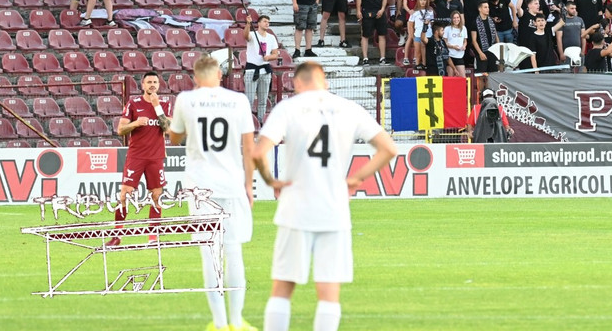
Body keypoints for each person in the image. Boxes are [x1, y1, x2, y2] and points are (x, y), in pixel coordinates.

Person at [255, 60, 398, 331]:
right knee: (329, 292)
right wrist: (356, 178)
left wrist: (270, 179)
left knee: (283, 286)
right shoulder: (348, 108)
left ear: (296, 83)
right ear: (325, 81)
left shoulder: (287, 108)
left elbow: (257, 151)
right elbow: (389, 149)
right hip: (334, 208)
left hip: (295, 207)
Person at [168, 54, 255, 331]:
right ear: (220, 75)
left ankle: (218, 323)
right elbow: (248, 147)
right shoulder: (238, 100)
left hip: (199, 187)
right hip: (231, 183)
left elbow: (174, 137)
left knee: (210, 254)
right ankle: (237, 321)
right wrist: (249, 185)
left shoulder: (185, 99)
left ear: (195, 77)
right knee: (234, 250)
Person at [109, 71, 172, 247]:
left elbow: (167, 129)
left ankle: (153, 237)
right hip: (136, 156)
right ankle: (117, 236)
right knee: (124, 195)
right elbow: (121, 130)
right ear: (142, 85)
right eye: (149, 82)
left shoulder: (165, 104)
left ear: (159, 85)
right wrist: (136, 123)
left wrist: (157, 106)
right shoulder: (133, 103)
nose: (152, 85)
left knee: (157, 196)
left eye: (155, 82)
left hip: (155, 157)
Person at [245, 14, 282, 123]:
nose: (267, 23)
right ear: (259, 23)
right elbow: (246, 36)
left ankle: (261, 121)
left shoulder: (271, 37)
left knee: (262, 100)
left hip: (265, 71)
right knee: (249, 99)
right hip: (252, 70)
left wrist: (269, 57)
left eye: (268, 22)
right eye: (265, 21)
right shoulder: (253, 34)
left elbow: (276, 53)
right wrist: (248, 24)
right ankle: (248, 122)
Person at [355, 0, 389, 67]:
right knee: (365, 35)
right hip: (367, 11)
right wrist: (358, 10)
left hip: (379, 11)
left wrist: (382, 9)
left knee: (382, 34)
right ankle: (365, 58)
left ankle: (382, 58)